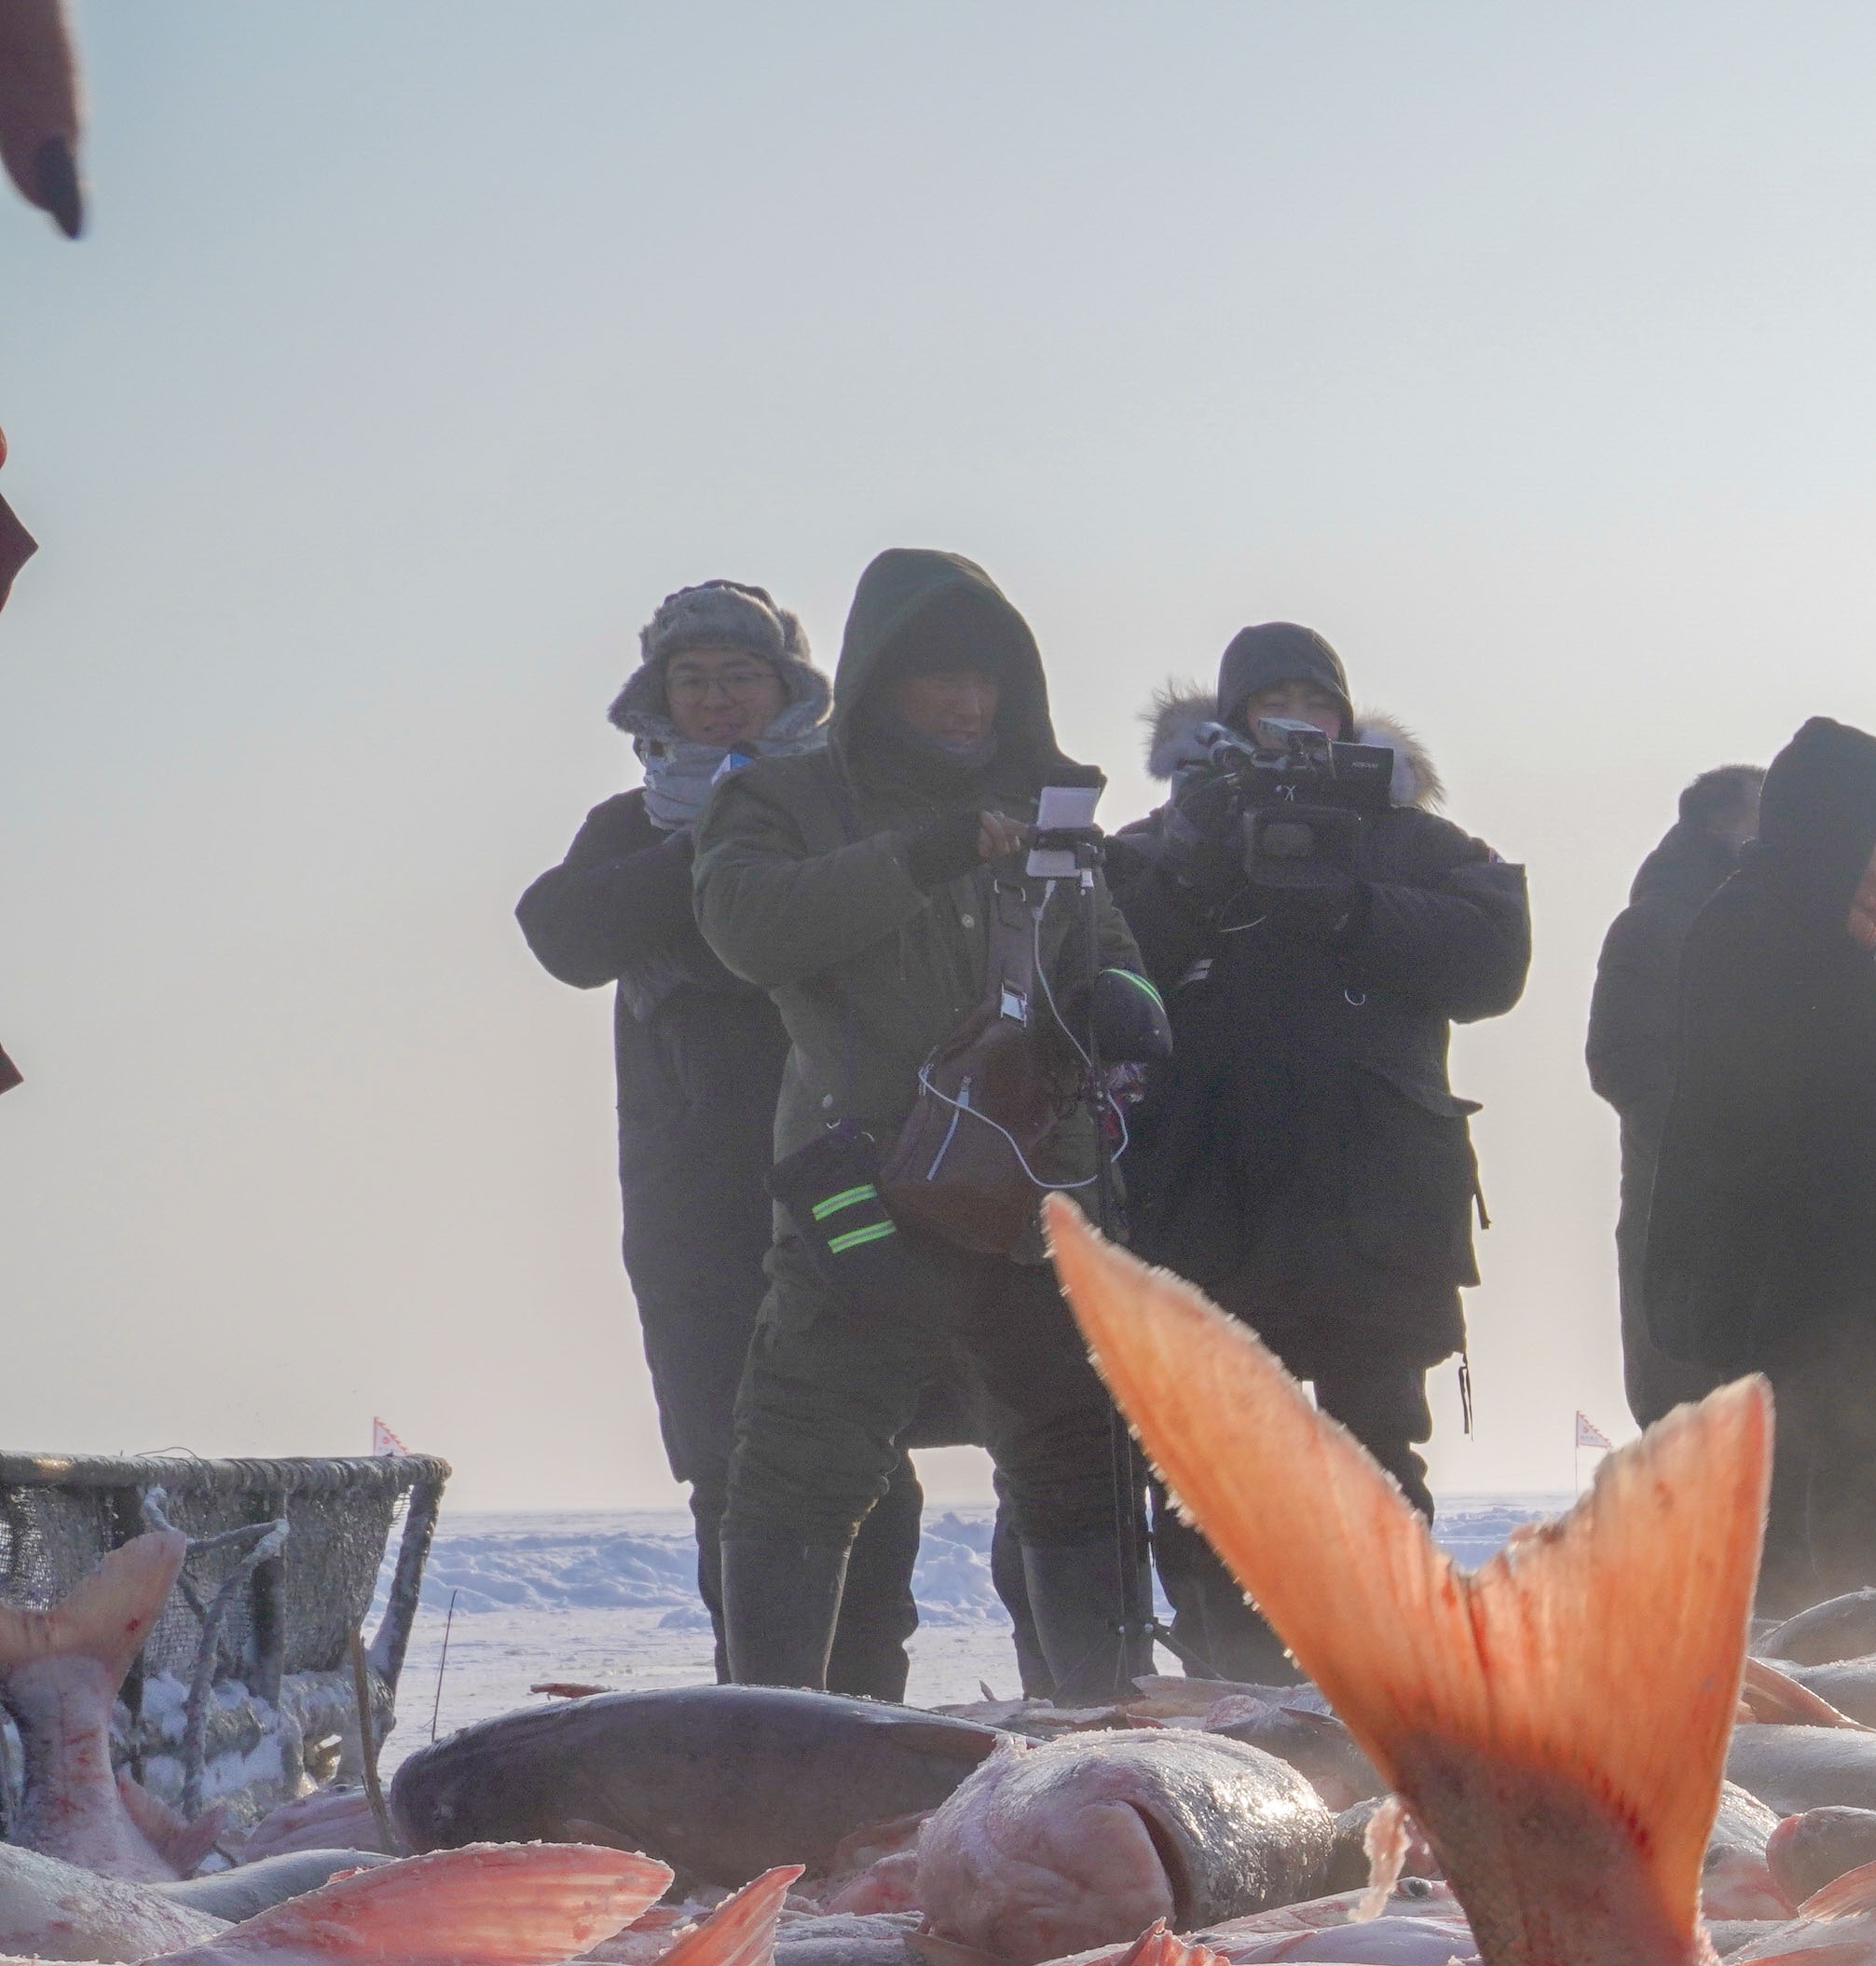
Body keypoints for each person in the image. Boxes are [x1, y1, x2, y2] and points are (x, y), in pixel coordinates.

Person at [692, 548, 1159, 1701]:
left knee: (1078, 1455)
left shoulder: (1050, 801)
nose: (966, 702)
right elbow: (749, 926)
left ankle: (1094, 1734)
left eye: (985, 681)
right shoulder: (783, 799)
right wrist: (925, 854)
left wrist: (1128, 1007)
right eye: (938, 678)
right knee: (802, 1457)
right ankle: (780, 1736)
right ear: (877, 679)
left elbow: (1100, 943)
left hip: (1036, 1187)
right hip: (861, 1182)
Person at [1102, 622, 1533, 1675]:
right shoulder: (1163, 840)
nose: (1297, 720)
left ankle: (1391, 1675)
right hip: (1205, 1201)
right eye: (1272, 701)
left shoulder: (1415, 840)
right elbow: (1104, 962)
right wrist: (1204, 857)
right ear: (1229, 715)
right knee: (1207, 1465)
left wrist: (1353, 911)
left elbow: (1495, 958)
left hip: (1374, 1206)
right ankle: (1230, 1679)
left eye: (1316, 700)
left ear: (1347, 715)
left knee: (1377, 1456)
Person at [517, 579, 921, 1688]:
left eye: (737, 676)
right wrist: (714, 839)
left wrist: (764, 836)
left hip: (845, 1177)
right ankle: (759, 1707)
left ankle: (871, 1713)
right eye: (688, 680)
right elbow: (561, 932)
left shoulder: (846, 808)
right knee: (722, 1463)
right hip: (692, 1204)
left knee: (864, 1449)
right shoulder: (631, 825)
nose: (713, 700)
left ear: (788, 685)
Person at [1651, 717, 1876, 1610]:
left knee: (1853, 1479)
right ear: (1827, 829)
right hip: (1766, 1294)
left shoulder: (1859, 961)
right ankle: (1779, 1702)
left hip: (1848, 1296)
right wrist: (1712, 1283)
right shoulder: (1743, 937)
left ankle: (1857, 1679)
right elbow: (1716, 1134)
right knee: (1777, 1500)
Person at [1588, 761, 1761, 1425]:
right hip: (1679, 1219)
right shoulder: (1654, 926)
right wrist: (1715, 1149)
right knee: (1685, 1425)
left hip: (1768, 1225)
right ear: (1719, 827)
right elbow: (1620, 1062)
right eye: (1762, 817)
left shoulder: (1777, 929)